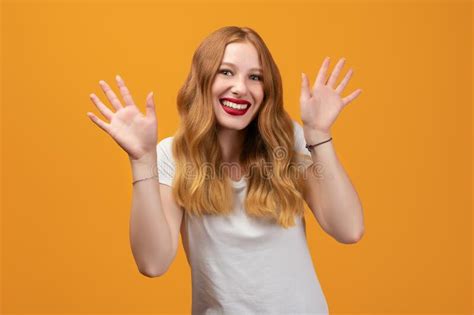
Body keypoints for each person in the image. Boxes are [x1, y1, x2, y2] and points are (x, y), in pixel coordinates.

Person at [87, 25, 364, 315]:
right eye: (226, 72)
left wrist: (318, 133)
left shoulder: (287, 142)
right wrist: (142, 159)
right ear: (203, 79)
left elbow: (349, 229)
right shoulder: (173, 155)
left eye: (255, 77)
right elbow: (152, 263)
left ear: (266, 90)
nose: (241, 88)